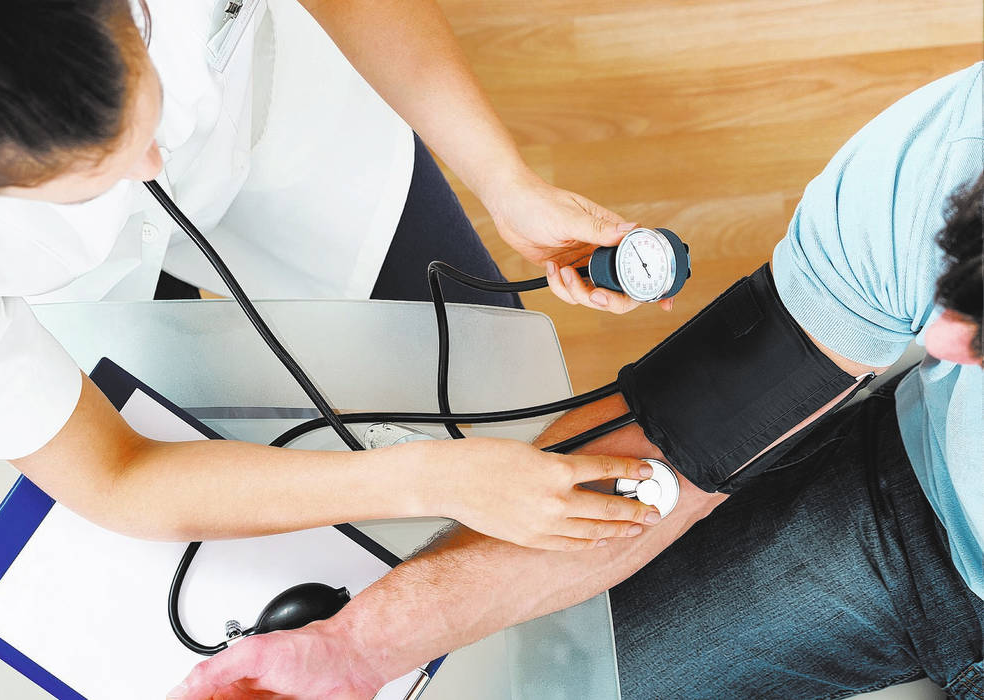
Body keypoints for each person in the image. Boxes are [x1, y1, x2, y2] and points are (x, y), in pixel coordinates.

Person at [168, 64, 984, 699]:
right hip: (914, 515)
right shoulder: (947, 158)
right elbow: (687, 435)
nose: (937, 339)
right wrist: (358, 647)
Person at [0, 0, 670, 554]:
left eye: (143, 102)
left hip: (283, 128)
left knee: (502, 388)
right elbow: (116, 476)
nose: (152, 169)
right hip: (77, 292)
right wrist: (425, 480)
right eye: (90, 181)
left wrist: (505, 180)